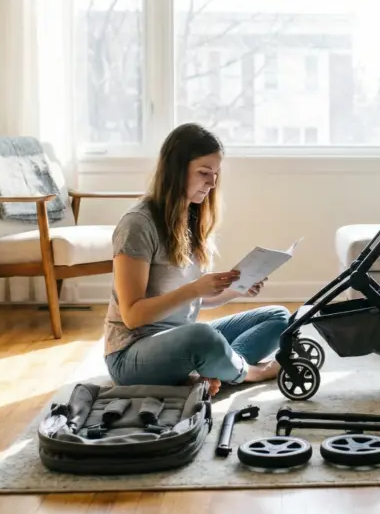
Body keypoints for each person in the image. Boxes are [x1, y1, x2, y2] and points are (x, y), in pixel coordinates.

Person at [103, 123, 289, 396]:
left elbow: (194, 301)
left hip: (180, 339)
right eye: (204, 173)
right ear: (176, 170)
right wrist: (194, 288)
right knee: (202, 337)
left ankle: (213, 369)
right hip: (131, 354)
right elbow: (132, 316)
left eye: (215, 174)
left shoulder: (191, 218)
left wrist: (235, 290)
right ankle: (249, 372)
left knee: (279, 317)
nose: (212, 183)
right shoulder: (137, 225)